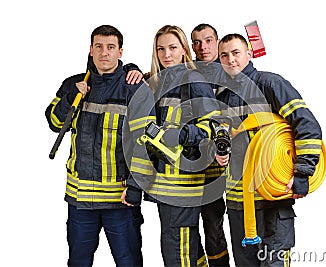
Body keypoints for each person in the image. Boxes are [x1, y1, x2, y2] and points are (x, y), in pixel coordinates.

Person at [45, 25, 154, 267]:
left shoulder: (134, 88)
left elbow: (145, 145)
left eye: (111, 47)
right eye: (99, 46)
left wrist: (136, 187)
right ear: (90, 50)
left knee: (129, 262)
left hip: (120, 200)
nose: (104, 53)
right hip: (80, 200)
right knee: (78, 262)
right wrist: (71, 99)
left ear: (120, 52)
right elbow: (54, 122)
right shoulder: (72, 85)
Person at [215, 33, 323, 267]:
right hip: (237, 203)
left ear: (249, 53)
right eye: (224, 55)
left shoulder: (270, 84)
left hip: (271, 200)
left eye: (236, 53)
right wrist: (219, 152)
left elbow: (306, 125)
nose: (230, 59)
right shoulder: (222, 95)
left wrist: (302, 173)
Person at [123, 25, 221, 267]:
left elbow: (216, 126)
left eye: (173, 48)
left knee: (177, 253)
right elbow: (144, 141)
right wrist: (130, 69)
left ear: (184, 50)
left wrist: (182, 134)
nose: (167, 54)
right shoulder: (154, 84)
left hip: (184, 187)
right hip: (162, 187)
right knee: (181, 247)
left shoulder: (194, 80)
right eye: (161, 49)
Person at [191, 23, 230, 266]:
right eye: (196, 42)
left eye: (208, 40)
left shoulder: (232, 72)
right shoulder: (185, 72)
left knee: (214, 225)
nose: (202, 47)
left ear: (217, 41)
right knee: (187, 225)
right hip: (192, 163)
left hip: (222, 167)